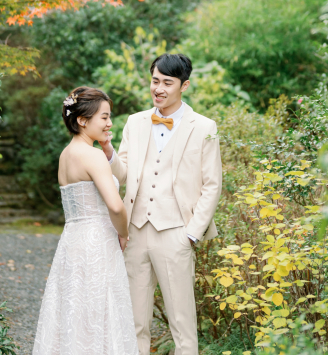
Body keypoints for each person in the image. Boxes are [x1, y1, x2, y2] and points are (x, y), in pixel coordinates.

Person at [103, 53, 223, 355]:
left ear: (184, 85)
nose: (159, 88)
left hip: (176, 232)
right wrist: (107, 152)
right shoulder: (135, 122)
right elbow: (124, 172)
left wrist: (191, 234)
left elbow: (212, 185)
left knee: (181, 323)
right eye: (155, 81)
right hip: (135, 230)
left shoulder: (205, 127)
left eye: (167, 83)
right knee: (134, 321)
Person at [32, 87, 138, 355]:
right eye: (104, 117)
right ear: (82, 120)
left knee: (73, 313)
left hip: (72, 241)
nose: (109, 123)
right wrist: (124, 233)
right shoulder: (92, 156)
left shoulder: (66, 155)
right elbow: (115, 205)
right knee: (100, 312)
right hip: (97, 243)